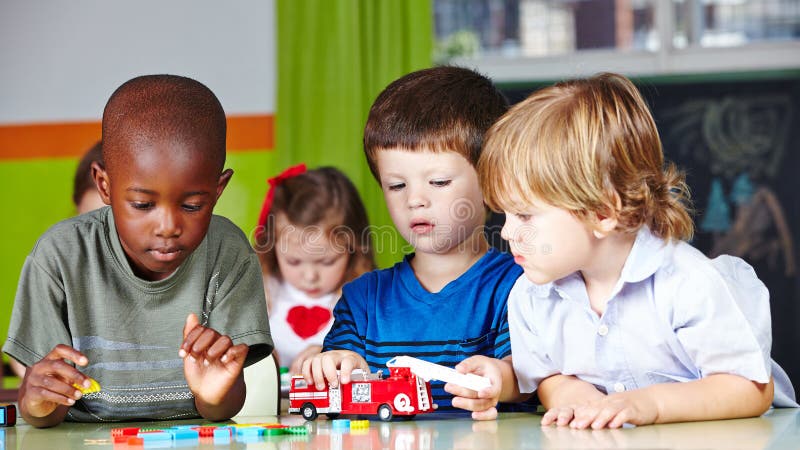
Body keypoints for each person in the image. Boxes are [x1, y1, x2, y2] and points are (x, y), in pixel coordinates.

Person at [453, 72, 798, 426]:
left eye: (525, 214)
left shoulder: (689, 283)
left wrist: (649, 404)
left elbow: (749, 389)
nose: (507, 231)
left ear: (603, 212)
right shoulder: (533, 296)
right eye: (505, 213)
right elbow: (548, 377)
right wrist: (573, 396)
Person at [3, 74, 273, 427]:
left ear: (218, 188)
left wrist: (214, 394)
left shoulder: (228, 253)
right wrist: (34, 399)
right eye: (143, 205)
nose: (167, 226)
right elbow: (47, 409)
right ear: (104, 185)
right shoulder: (59, 256)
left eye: (192, 206)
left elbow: (223, 408)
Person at [300, 66, 525, 414]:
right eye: (397, 185)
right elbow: (336, 374)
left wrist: (502, 379)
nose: (415, 200)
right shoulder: (363, 301)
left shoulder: (517, 287)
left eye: (437, 182)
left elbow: (531, 379)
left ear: (492, 182)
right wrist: (332, 365)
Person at [253, 164, 375, 375]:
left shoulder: (363, 299)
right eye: (293, 261)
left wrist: (332, 355)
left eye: (327, 262)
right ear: (272, 247)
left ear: (354, 249)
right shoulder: (261, 291)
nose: (310, 277)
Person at [7, 141, 107, 380]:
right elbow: (22, 356)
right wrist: (38, 374)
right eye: (93, 222)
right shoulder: (58, 265)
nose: (107, 239)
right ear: (76, 208)